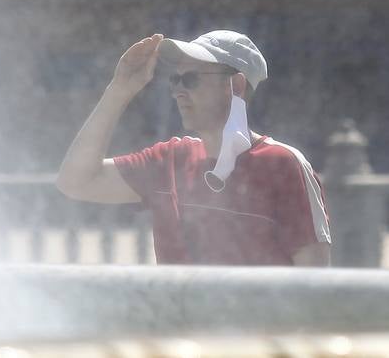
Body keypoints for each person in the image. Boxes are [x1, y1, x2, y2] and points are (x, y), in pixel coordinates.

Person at [56, 31, 331, 265]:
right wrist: (119, 90)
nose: (177, 91)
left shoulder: (283, 164)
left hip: (255, 329)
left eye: (190, 79)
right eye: (174, 80)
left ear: (235, 85)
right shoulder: (168, 160)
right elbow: (75, 182)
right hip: (180, 329)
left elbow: (314, 286)